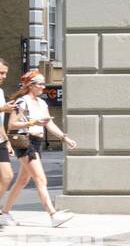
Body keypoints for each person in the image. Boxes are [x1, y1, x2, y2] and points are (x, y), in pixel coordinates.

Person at [1, 70, 77, 227]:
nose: (43, 86)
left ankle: (5, 212)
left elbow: (49, 124)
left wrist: (64, 138)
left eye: (43, 83)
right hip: (24, 142)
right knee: (41, 178)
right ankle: (52, 214)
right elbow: (12, 125)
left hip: (36, 142)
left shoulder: (42, 103)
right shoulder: (22, 102)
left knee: (23, 180)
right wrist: (32, 123)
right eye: (40, 84)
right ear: (31, 85)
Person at [0, 59, 15, 226]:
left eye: (5, 73)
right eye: (1, 72)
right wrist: (2, 108)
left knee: (7, 175)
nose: (3, 76)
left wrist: (7, 140)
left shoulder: (0, 92)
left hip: (0, 140)